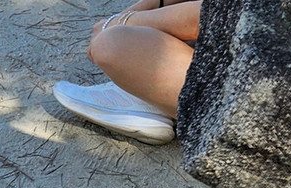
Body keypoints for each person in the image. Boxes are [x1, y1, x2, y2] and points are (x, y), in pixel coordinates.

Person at [53, 0, 201, 144]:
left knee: (110, 44)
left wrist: (117, 22)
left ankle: (146, 98)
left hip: (216, 98)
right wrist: (147, 6)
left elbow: (205, 18)